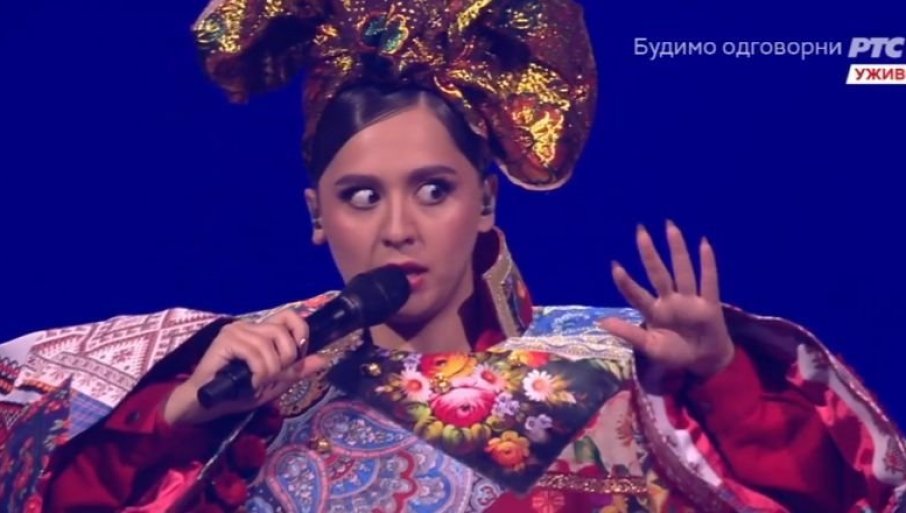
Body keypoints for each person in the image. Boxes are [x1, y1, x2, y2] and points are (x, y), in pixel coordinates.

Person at [0, 0, 904, 512]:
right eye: (362, 196)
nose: (398, 227)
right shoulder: (248, 380)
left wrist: (723, 380)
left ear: (486, 200)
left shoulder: (615, 360)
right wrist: (178, 415)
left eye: (433, 189)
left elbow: (836, 500)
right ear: (316, 216)